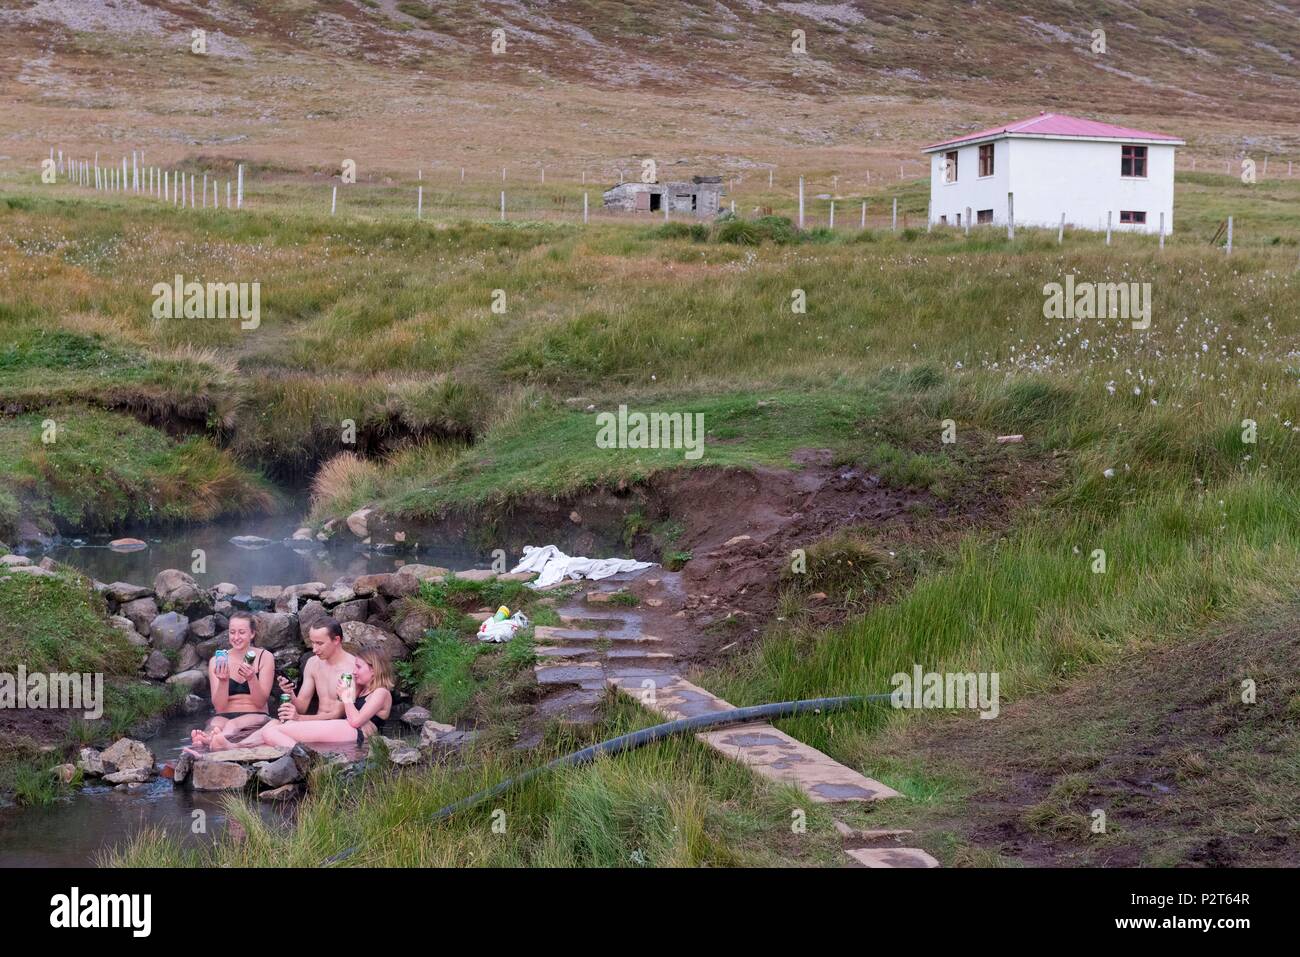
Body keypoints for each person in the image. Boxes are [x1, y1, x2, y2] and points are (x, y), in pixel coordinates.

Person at [232, 617, 357, 748]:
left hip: (336, 726)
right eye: (312, 643)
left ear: (336, 640)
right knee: (275, 723)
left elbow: (338, 714)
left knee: (274, 731)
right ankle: (236, 747)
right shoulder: (313, 663)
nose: (314, 649)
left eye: (319, 643)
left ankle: (306, 757)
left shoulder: (350, 669)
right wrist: (290, 692)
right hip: (315, 723)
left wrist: (299, 718)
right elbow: (302, 707)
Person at [259, 646, 394, 749]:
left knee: (271, 733)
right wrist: (290, 693)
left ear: (374, 669)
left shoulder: (381, 692)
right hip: (344, 728)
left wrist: (346, 696)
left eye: (358, 667)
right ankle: (241, 746)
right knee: (274, 726)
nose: (354, 671)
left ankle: (305, 758)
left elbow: (356, 721)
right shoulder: (364, 690)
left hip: (355, 732)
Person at [188, 612, 273, 752]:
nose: (236, 637)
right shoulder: (217, 661)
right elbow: (220, 707)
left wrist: (252, 679)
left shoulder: (265, 657)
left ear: (252, 634)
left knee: (234, 724)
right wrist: (223, 681)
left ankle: (215, 739)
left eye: (241, 632)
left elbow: (260, 702)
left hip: (255, 714)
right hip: (224, 714)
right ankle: (202, 743)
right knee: (215, 723)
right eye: (232, 632)